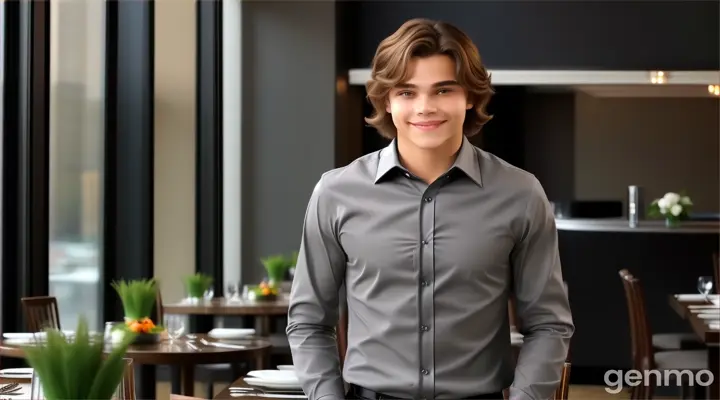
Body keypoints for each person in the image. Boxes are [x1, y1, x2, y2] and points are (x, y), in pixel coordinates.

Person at [287, 18, 574, 400]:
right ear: (386, 100)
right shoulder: (336, 192)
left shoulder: (520, 194)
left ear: (469, 96)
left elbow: (548, 324)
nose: (425, 108)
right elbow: (308, 321)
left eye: (443, 90)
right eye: (407, 92)